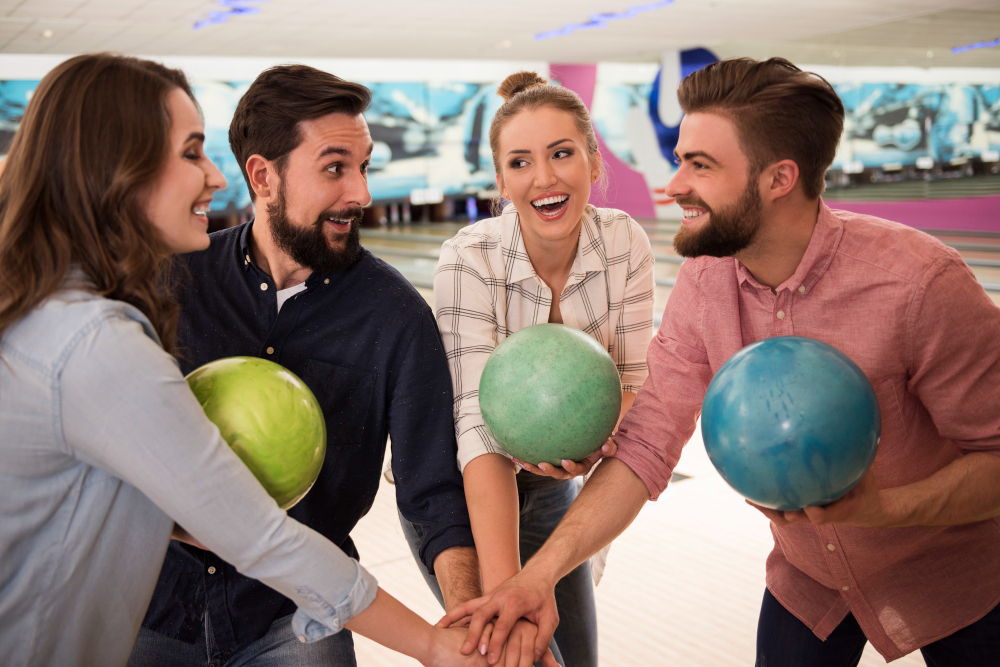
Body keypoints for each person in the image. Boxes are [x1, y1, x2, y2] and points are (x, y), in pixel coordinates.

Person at [442, 57, 1000, 667]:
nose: (674, 184)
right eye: (680, 159)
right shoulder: (705, 281)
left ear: (778, 178)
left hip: (957, 582)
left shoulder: (920, 285)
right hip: (810, 578)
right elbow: (646, 444)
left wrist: (883, 509)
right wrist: (536, 577)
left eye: (699, 166)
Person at [0, 54, 486, 667]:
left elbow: (430, 494)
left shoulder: (45, 311)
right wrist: (432, 647)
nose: (213, 176)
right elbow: (253, 532)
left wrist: (468, 623)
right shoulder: (111, 329)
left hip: (291, 615)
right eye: (191, 153)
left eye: (363, 168)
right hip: (146, 612)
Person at [405, 71, 654, 667]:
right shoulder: (469, 257)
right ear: (500, 180)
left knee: (577, 658)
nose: (543, 178)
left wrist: (595, 438)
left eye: (562, 153)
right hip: (462, 489)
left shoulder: (626, 245)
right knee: (509, 653)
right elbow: (477, 426)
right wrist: (505, 597)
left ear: (594, 162)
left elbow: (632, 387)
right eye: (521, 162)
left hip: (553, 488)